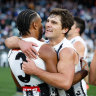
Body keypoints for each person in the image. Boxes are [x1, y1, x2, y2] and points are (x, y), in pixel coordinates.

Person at [5, 8, 88, 96]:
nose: (48, 24)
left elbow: (64, 84)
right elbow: (8, 41)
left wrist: (36, 71)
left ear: (65, 29)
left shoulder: (66, 50)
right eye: (48, 21)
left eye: (54, 22)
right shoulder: (43, 44)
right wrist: (20, 42)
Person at [7, 9, 58, 96]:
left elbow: (18, 85)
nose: (43, 26)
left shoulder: (10, 52)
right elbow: (57, 83)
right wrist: (82, 73)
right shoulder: (45, 48)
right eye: (41, 22)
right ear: (35, 25)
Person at [67, 16, 88, 95]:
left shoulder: (78, 43)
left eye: (71, 24)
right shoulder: (70, 41)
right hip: (69, 83)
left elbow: (75, 66)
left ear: (77, 30)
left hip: (75, 86)